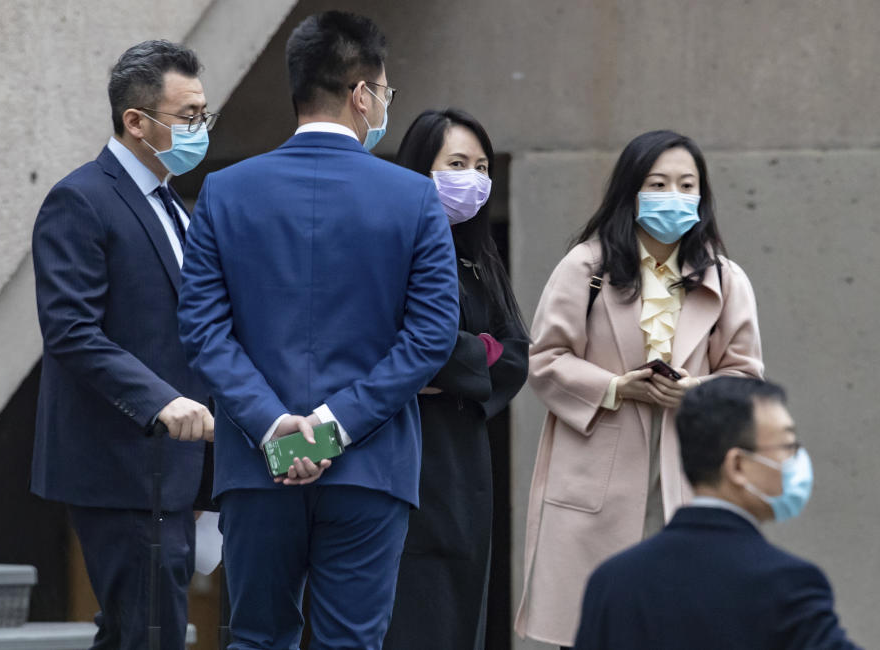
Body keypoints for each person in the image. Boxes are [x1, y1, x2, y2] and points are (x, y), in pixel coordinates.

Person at [177, 11, 459, 650]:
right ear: (362, 94)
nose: (384, 104)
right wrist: (334, 427)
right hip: (370, 464)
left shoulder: (223, 192)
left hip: (257, 465)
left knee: (255, 637)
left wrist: (276, 426)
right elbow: (431, 335)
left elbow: (201, 329)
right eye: (384, 91)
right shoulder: (414, 198)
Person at [514, 129, 764, 647]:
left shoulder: (726, 278)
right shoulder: (586, 267)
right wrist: (614, 386)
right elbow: (544, 360)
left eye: (686, 184)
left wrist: (696, 391)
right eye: (659, 183)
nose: (674, 196)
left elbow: (746, 379)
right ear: (631, 191)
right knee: (594, 628)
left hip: (685, 472)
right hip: (597, 471)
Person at [31, 40, 216, 649]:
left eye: (203, 115)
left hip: (178, 471)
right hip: (122, 466)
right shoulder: (81, 200)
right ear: (136, 121)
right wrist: (161, 402)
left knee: (140, 634)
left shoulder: (177, 207)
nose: (200, 129)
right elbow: (70, 329)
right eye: (188, 116)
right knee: (149, 633)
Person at [382, 109, 528, 650]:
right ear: (421, 169)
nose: (473, 178)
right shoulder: (389, 251)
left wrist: (461, 359)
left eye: (482, 166)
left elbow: (514, 357)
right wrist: (471, 356)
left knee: (460, 609)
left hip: (465, 461)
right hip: (398, 448)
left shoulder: (478, 261)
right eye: (458, 163)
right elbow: (415, 350)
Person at [574, 377, 862, 649]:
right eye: (788, 446)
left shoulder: (611, 581)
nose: (797, 460)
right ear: (737, 466)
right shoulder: (787, 584)